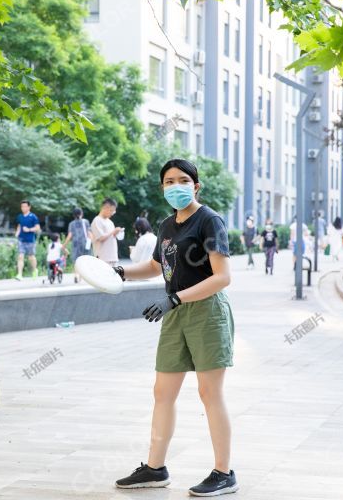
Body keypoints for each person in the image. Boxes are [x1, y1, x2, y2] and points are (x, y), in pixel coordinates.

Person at [112, 158, 238, 497]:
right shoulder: (167, 225)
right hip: (176, 314)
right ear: (162, 187)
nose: (176, 185)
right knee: (162, 392)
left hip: (206, 312)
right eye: (169, 181)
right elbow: (157, 265)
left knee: (209, 393)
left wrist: (176, 299)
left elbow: (222, 277)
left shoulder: (209, 221)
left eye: (183, 179)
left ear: (196, 186)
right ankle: (155, 468)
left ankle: (224, 473)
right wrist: (120, 271)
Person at [91, 198, 123, 267]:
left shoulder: (110, 222)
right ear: (105, 207)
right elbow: (101, 237)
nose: (112, 213)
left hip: (113, 257)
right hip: (103, 258)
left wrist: (116, 233)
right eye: (111, 210)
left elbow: (110, 236)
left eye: (113, 211)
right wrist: (113, 231)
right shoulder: (97, 220)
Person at [64, 208, 93, 283]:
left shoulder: (71, 224)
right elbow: (89, 233)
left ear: (73, 215)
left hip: (75, 244)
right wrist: (93, 242)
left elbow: (70, 235)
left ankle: (76, 275)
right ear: (82, 213)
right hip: (85, 244)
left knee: (76, 261)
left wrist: (64, 245)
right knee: (85, 261)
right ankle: (82, 277)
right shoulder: (85, 222)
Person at [15, 200, 41, 281]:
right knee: (20, 256)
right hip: (21, 239)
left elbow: (38, 228)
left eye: (25, 206)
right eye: (22, 206)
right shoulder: (20, 216)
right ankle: (19, 274)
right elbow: (19, 226)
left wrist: (29, 229)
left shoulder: (33, 217)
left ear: (29, 207)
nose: (23, 208)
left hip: (30, 240)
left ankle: (35, 270)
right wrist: (17, 233)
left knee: (31, 257)